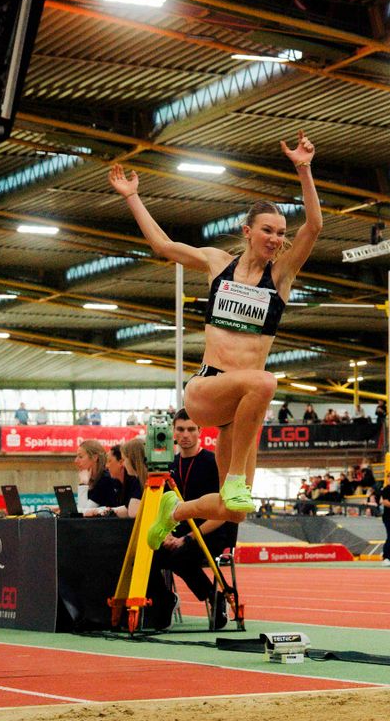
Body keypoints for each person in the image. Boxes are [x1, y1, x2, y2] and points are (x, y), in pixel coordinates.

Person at [112, 133, 321, 525]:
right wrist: (131, 196)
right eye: (268, 231)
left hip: (239, 413)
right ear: (247, 231)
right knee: (265, 382)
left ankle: (174, 512)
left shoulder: (281, 277)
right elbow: (163, 245)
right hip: (208, 388)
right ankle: (236, 479)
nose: (276, 239)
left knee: (234, 511)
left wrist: (304, 168)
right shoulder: (217, 263)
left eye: (280, 233)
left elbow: (314, 225)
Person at [145, 411, 233, 624]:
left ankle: (215, 597)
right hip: (177, 532)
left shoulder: (213, 462)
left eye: (191, 429)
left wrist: (187, 538)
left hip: (210, 533)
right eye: (181, 429)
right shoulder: (168, 465)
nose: (186, 435)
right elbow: (161, 508)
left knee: (179, 556)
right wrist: (165, 535)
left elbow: (224, 512)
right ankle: (165, 601)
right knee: (145, 557)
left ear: (200, 431)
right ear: (173, 432)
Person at [75, 439, 126, 516]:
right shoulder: (94, 480)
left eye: (80, 457)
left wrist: (82, 484)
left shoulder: (105, 479)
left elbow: (82, 513)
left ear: (95, 458)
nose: (76, 461)